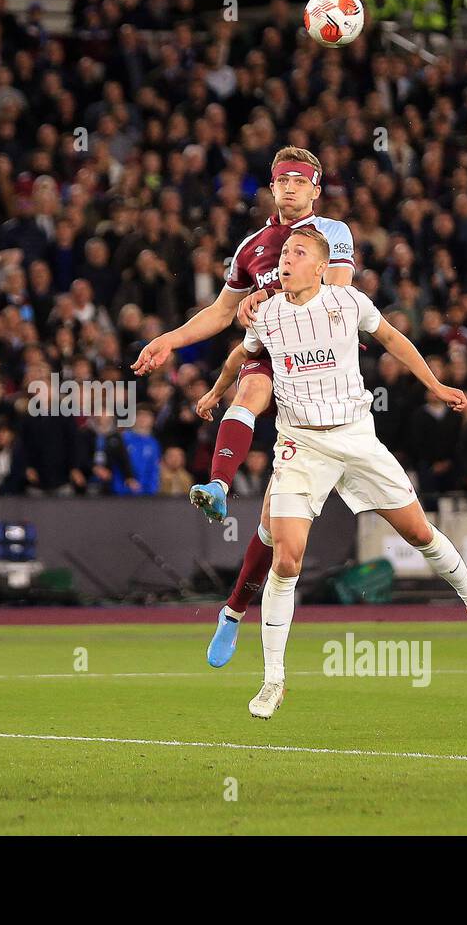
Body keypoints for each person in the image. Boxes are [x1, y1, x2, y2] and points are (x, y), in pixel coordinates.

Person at [228, 227, 467, 719]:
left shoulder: (347, 303)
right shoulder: (267, 313)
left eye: (298, 253)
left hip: (356, 437)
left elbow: (392, 338)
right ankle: (273, 680)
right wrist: (220, 393)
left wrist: (434, 383)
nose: (285, 259)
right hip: (300, 443)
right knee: (287, 561)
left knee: (419, 531)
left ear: (321, 267)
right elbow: (244, 357)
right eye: (283, 252)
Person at [132, 147, 356, 665]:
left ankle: (232, 612)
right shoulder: (251, 248)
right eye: (284, 180)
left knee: (274, 530)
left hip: (323, 371)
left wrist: (271, 298)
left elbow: (336, 293)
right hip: (274, 353)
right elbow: (220, 312)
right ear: (272, 188)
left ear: (316, 190)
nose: (293, 187)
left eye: (303, 180)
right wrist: (170, 339)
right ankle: (217, 483)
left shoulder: (332, 235)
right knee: (249, 392)